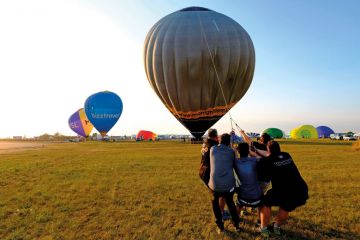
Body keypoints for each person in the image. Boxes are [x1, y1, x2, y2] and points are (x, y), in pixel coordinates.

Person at [257, 141, 309, 240]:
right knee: (286, 206)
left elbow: (264, 174)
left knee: (265, 203)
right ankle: (276, 227)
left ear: (268, 150)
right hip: (299, 188)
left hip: (282, 189)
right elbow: (270, 155)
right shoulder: (286, 155)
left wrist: (257, 157)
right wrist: (256, 151)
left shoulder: (268, 161)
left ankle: (263, 228)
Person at [208, 133, 241, 234]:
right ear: (229, 142)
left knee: (215, 203)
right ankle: (236, 225)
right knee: (230, 203)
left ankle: (220, 226)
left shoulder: (212, 149)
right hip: (228, 184)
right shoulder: (231, 151)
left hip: (214, 184)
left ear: (219, 140)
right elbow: (235, 165)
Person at [199, 129, 230, 221]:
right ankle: (220, 213)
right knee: (221, 194)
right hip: (209, 172)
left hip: (202, 170)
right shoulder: (214, 145)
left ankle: (220, 211)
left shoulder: (205, 143)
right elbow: (224, 150)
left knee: (217, 194)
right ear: (216, 136)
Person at [234, 142, 263, 214]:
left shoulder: (235, 162)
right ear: (248, 151)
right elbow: (260, 157)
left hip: (242, 198)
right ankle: (260, 221)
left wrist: (235, 150)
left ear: (238, 151)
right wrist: (250, 151)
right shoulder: (254, 160)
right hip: (257, 198)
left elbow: (234, 156)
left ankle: (236, 219)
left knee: (238, 203)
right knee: (261, 203)